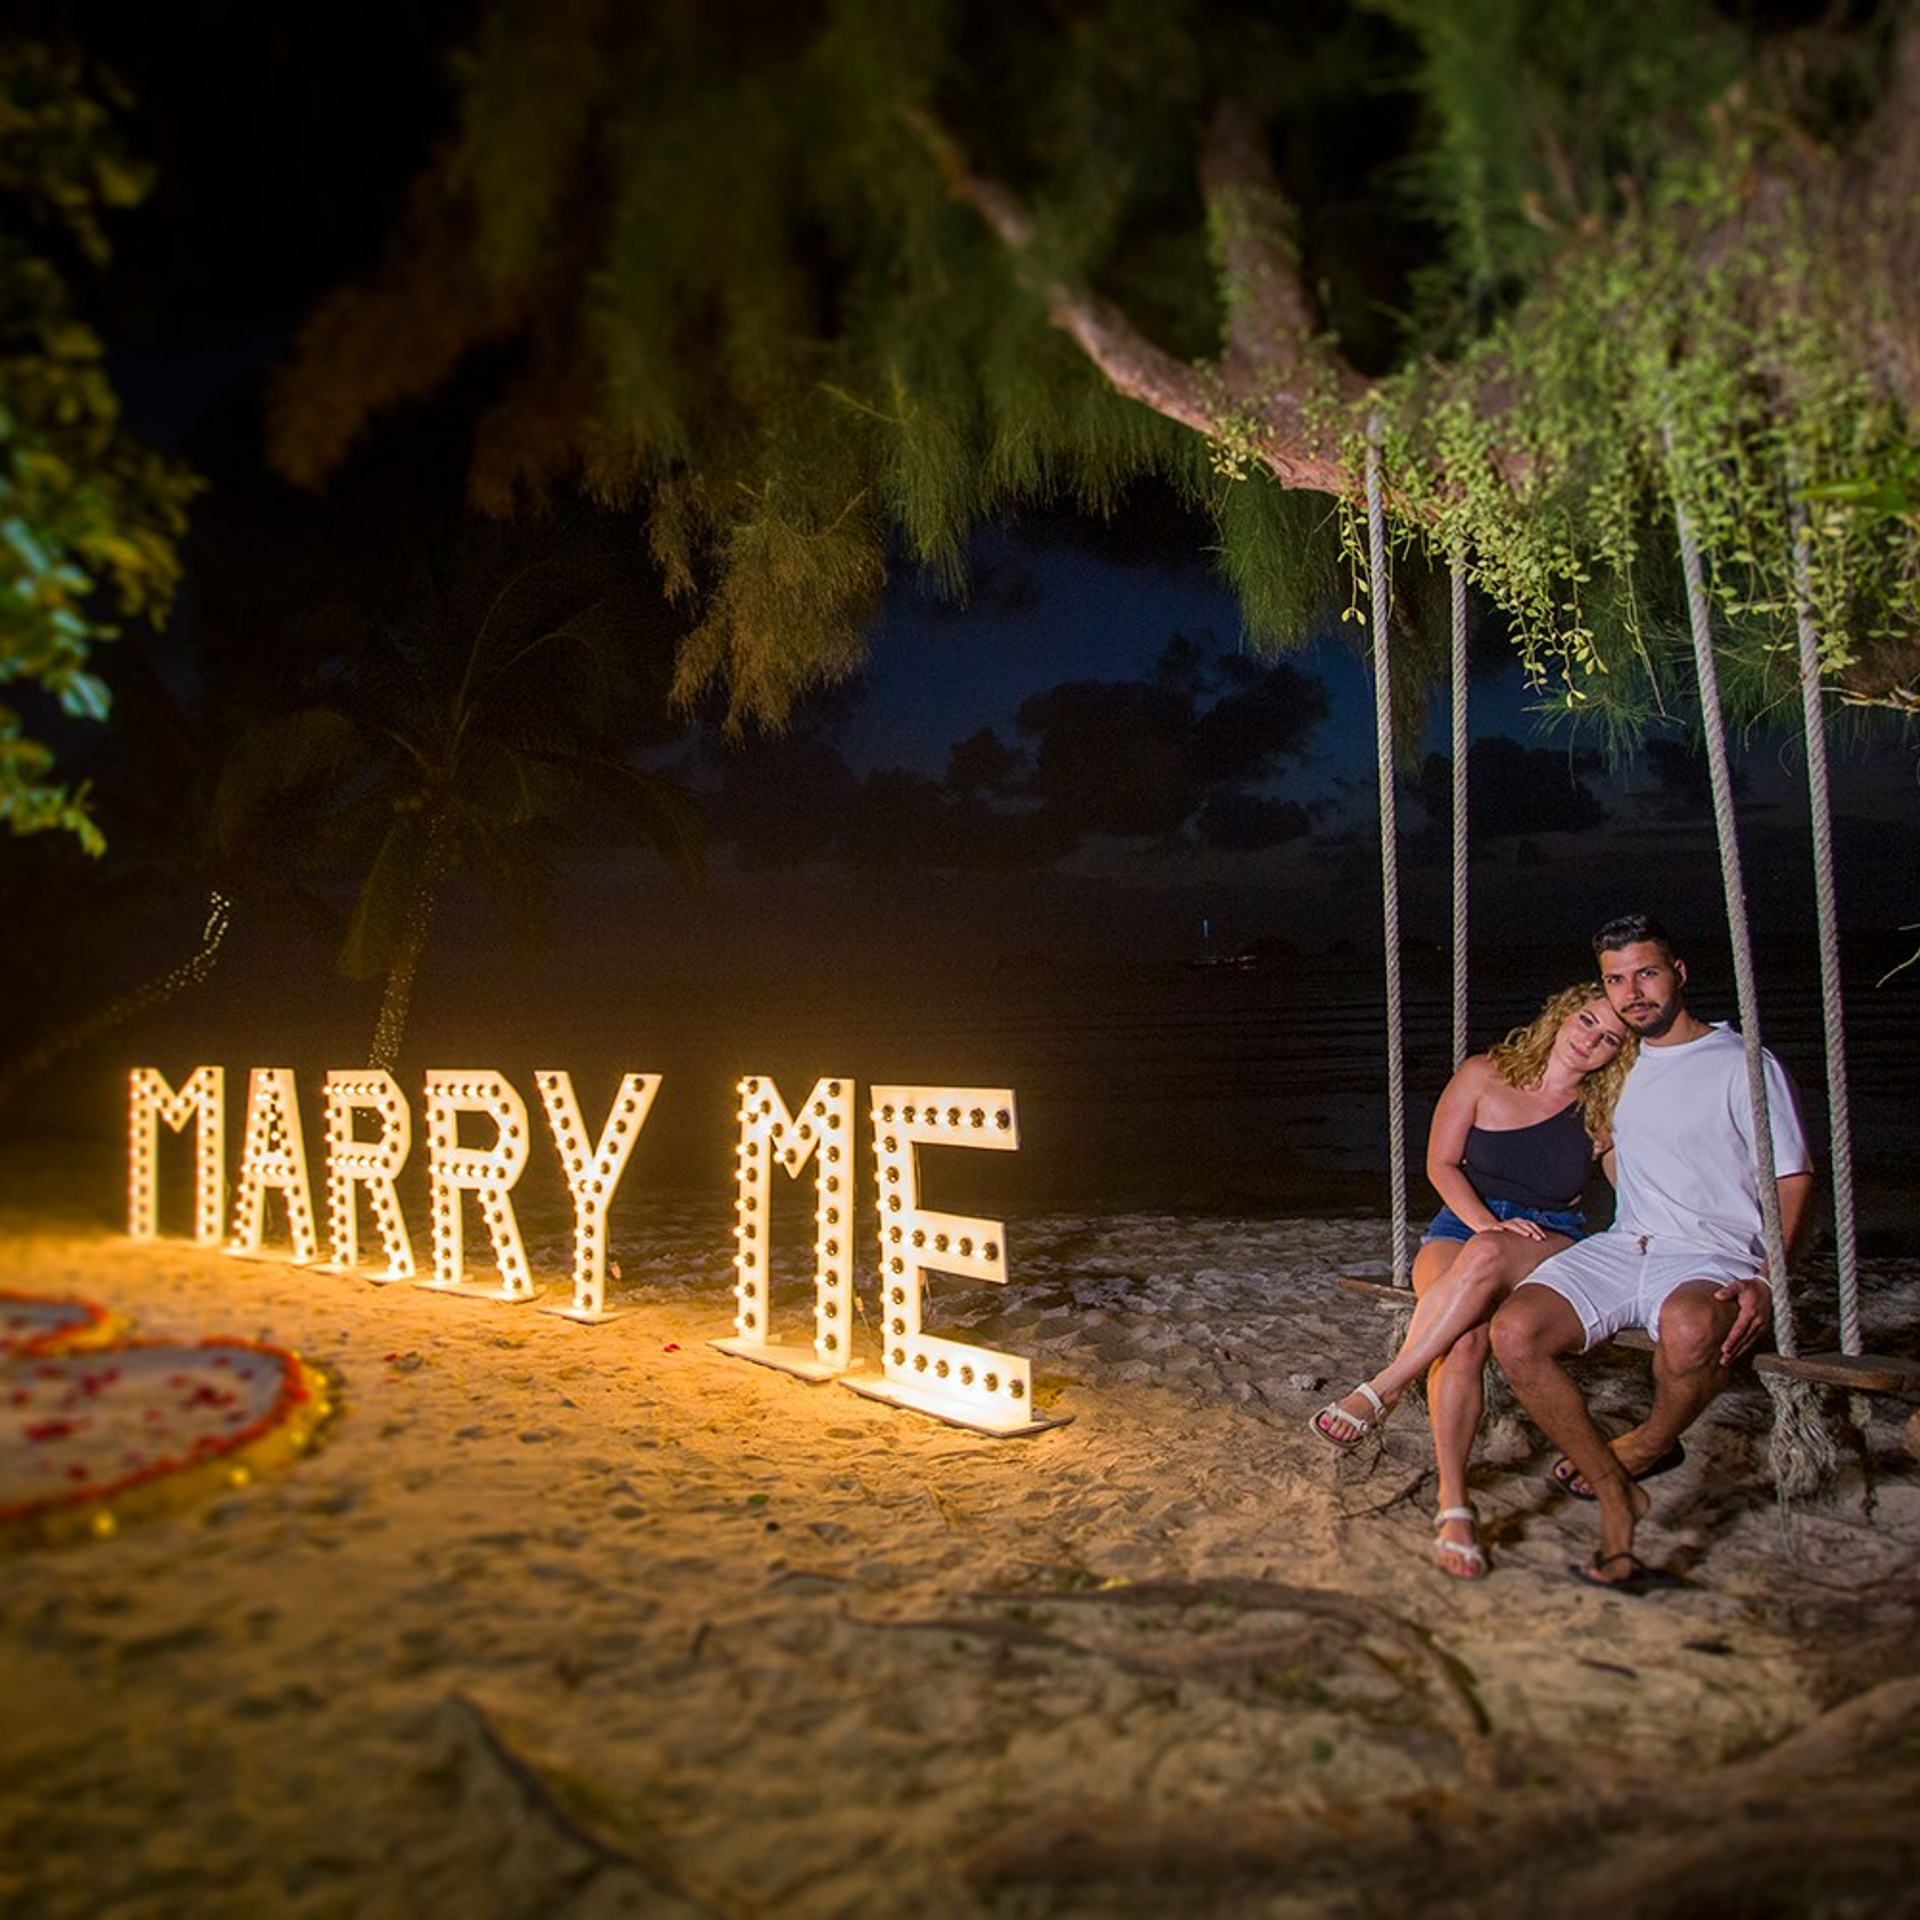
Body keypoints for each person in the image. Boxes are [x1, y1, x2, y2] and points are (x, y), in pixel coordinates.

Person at [1490, 913, 1813, 1594]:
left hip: (1713, 1252)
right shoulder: (1620, 1065)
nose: (1632, 992)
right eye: (1616, 980)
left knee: (1690, 1326)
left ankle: (1649, 1441)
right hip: (1626, 1242)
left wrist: (1768, 1280)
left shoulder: (1742, 1063)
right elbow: (1607, 1148)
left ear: (1678, 974)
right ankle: (1617, 1493)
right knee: (1515, 1334)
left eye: (1646, 973)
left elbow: (1793, 1179)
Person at [1312, 984, 1636, 1580]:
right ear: (1563, 1015)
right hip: (1461, 1224)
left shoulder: (1602, 1113)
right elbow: (1440, 1164)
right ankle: (1454, 1505)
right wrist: (1488, 1224)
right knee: (1462, 1342)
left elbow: (1635, 1194)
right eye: (1588, 1021)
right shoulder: (1483, 1074)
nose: (1591, 1039)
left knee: (1486, 1258)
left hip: (1549, 1239)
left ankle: (1384, 1388)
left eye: (1610, 1038)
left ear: (1618, 1053)